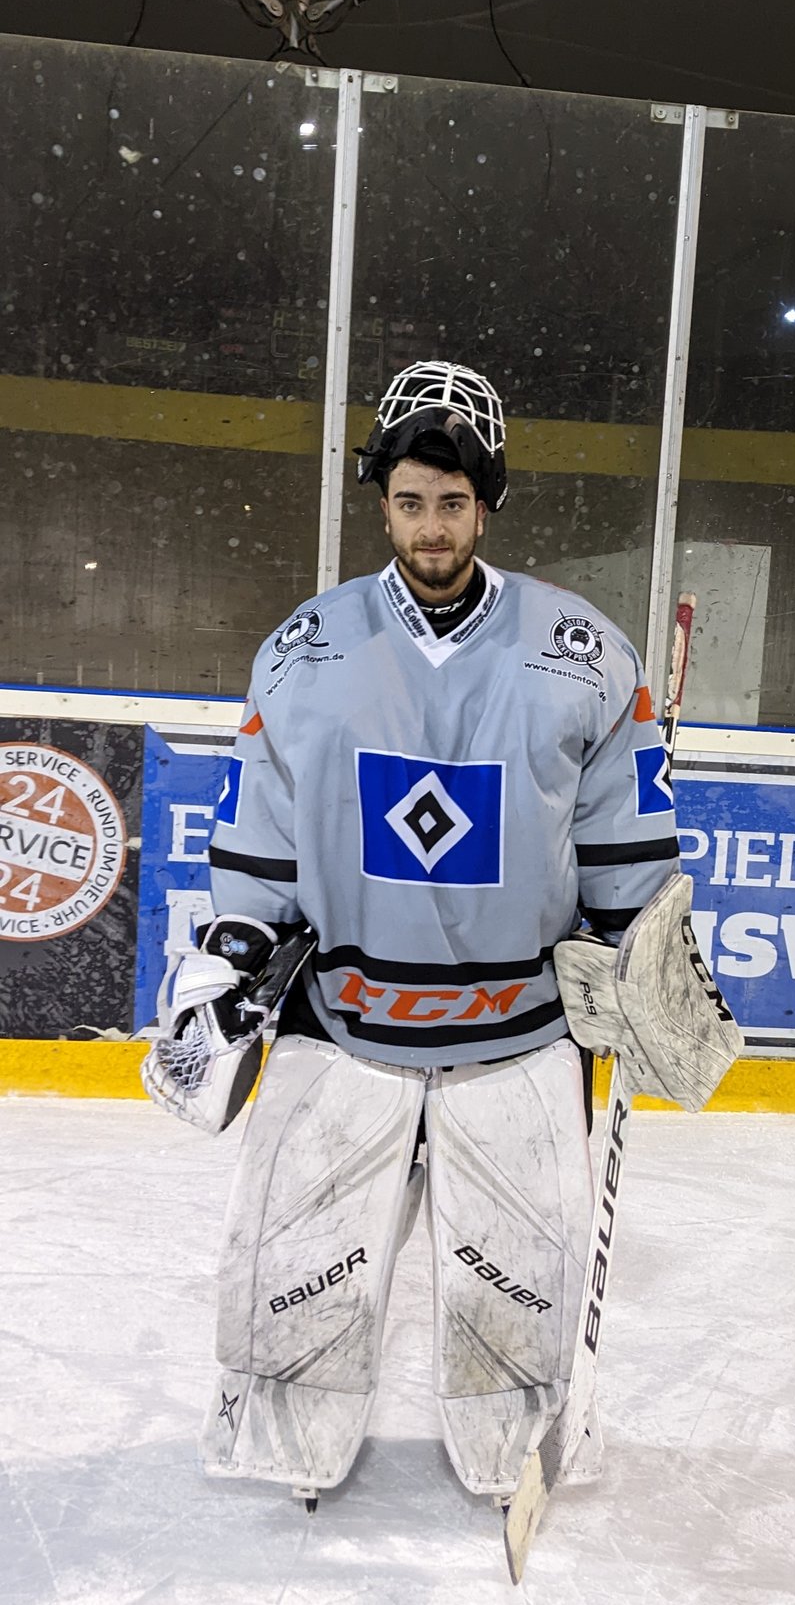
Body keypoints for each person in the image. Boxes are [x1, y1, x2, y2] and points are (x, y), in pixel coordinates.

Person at [142, 360, 735, 1509]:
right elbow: (260, 830)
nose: (431, 526)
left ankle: (507, 1441)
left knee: (513, 1284)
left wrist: (644, 955)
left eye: (454, 503)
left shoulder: (582, 650)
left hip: (515, 1034)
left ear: (488, 503)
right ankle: (291, 1430)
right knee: (297, 1269)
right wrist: (229, 956)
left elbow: (623, 838)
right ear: (383, 502)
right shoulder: (305, 649)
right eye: (412, 500)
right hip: (345, 1023)